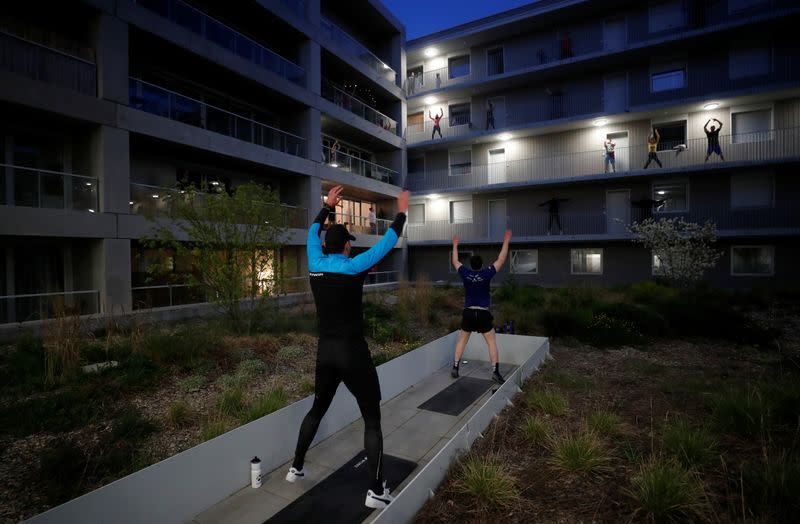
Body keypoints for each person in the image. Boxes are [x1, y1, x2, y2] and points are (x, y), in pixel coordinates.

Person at [286, 185, 409, 510]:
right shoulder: (353, 267)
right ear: (346, 247)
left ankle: (296, 467)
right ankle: (376, 490)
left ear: (327, 245)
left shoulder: (314, 258)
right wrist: (402, 212)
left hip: (324, 353)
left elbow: (312, 231)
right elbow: (387, 243)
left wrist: (326, 206)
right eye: (350, 243)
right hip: (353, 354)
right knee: (372, 419)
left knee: (317, 409)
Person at [450, 229, 512, 384]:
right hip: (483, 313)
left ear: (470, 265)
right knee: (491, 342)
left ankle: (456, 367)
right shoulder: (486, 273)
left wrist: (455, 245)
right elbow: (501, 259)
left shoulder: (465, 273)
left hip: (469, 313)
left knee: (462, 341)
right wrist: (506, 240)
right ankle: (495, 372)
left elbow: (455, 262)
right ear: (482, 265)